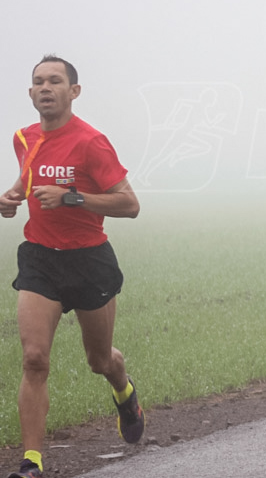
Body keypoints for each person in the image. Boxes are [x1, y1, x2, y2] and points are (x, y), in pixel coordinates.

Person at [1, 56, 144, 478]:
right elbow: (25, 184)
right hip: (41, 258)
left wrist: (71, 197)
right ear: (30, 93)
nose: (45, 88)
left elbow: (130, 205)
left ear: (73, 92)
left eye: (55, 81)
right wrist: (9, 199)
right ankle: (32, 462)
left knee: (99, 360)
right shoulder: (23, 139)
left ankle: (124, 391)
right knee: (33, 359)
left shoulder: (91, 142)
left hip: (89, 260)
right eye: (38, 82)